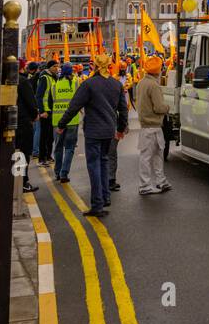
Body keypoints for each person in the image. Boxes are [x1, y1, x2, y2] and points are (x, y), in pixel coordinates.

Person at [57, 54, 128, 218]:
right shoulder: (116, 84)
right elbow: (123, 109)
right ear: (110, 65)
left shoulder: (88, 84)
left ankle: (97, 204)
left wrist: (61, 124)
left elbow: (74, 106)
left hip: (93, 131)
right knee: (104, 162)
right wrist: (121, 128)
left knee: (94, 165)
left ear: (94, 66)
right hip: (109, 131)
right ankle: (105, 197)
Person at [135, 56, 172, 197]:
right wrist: (168, 107)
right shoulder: (154, 85)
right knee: (154, 156)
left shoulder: (141, 83)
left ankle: (160, 182)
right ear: (158, 70)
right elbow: (158, 107)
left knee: (149, 155)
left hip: (145, 125)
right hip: (154, 125)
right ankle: (147, 185)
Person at [51, 63, 79, 183]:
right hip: (72, 120)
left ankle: (57, 172)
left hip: (57, 121)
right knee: (69, 148)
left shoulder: (54, 85)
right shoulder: (76, 83)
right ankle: (64, 173)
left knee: (58, 148)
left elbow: (52, 101)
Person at [16, 63, 39, 193]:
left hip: (11, 121)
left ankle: (16, 181)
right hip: (23, 122)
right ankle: (23, 182)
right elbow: (31, 102)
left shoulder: (6, 79)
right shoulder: (23, 82)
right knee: (24, 152)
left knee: (15, 153)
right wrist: (35, 115)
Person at [35, 59, 58, 164]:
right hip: (46, 111)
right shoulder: (44, 78)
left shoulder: (53, 78)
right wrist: (42, 111)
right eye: (54, 67)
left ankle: (48, 156)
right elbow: (39, 96)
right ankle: (42, 158)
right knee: (44, 136)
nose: (57, 69)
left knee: (50, 137)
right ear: (49, 67)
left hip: (52, 111)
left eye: (57, 67)